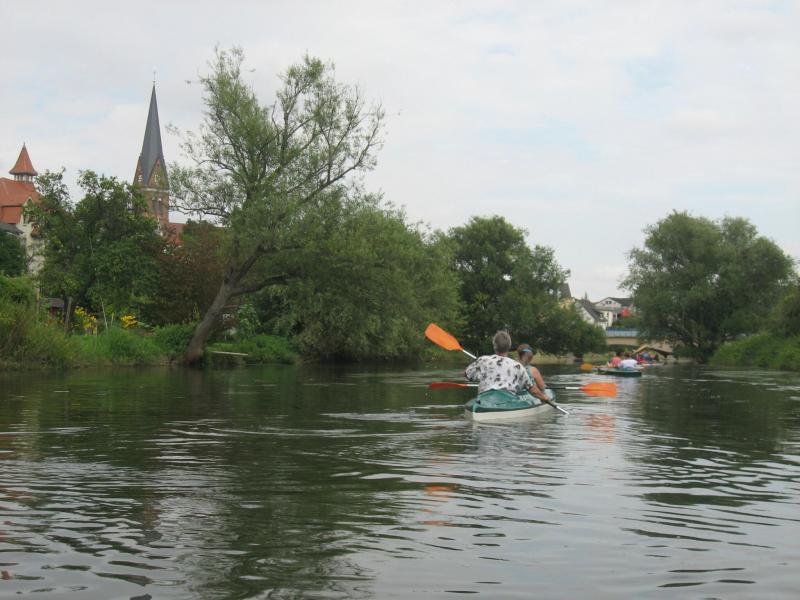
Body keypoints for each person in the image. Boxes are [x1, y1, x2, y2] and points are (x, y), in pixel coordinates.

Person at [465, 331, 550, 403]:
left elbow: (467, 375)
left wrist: (479, 369)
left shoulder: (482, 360)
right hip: (507, 401)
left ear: (494, 346)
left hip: (484, 399)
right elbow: (532, 390)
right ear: (509, 346)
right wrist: (544, 397)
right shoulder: (517, 366)